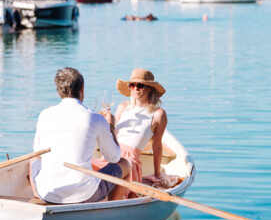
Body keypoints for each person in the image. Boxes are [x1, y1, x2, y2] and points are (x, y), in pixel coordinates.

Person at [31, 67, 131, 203]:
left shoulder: (44, 115)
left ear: (58, 91)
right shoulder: (95, 118)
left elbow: (38, 153)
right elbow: (113, 158)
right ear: (82, 88)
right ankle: (113, 208)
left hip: (48, 193)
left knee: (34, 158)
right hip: (85, 195)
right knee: (124, 163)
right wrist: (111, 127)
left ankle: (37, 193)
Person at [112, 68, 169, 188]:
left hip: (130, 161)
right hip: (112, 154)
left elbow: (157, 145)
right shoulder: (123, 107)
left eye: (140, 85)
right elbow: (111, 135)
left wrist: (157, 174)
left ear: (150, 88)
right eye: (132, 85)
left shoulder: (158, 114)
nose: (136, 89)